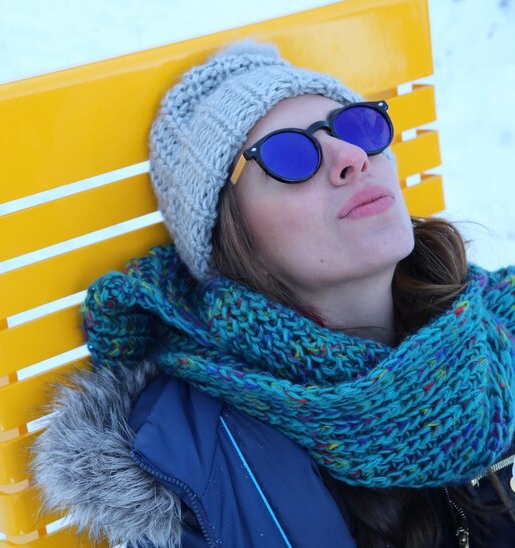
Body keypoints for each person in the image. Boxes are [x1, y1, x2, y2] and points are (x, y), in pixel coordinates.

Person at [32, 42, 515, 547]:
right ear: (234, 245)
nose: (352, 157)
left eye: (356, 127)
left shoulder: (499, 322)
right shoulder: (196, 469)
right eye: (291, 154)